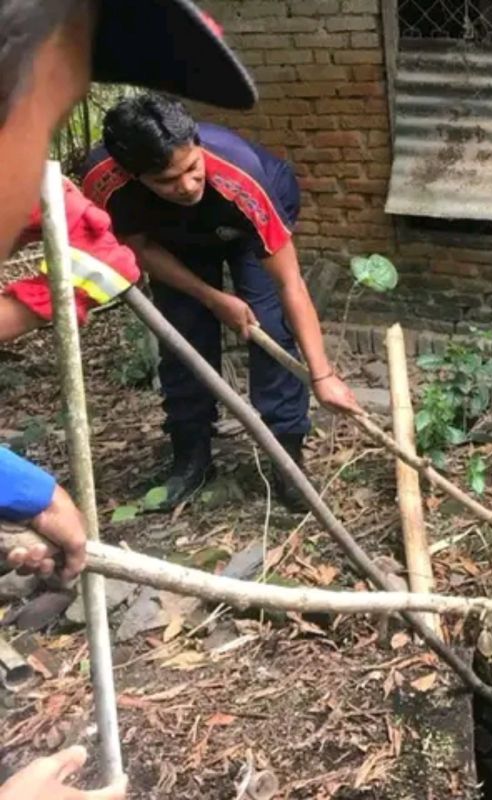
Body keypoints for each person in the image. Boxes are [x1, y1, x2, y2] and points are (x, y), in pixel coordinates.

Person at [0, 0, 258, 795]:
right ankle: (190, 455)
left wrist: (31, 493)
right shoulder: (110, 189)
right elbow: (125, 256)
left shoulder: (247, 180)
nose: (40, 169)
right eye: (40, 124)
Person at [80, 94, 361, 512]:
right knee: (183, 337)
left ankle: (287, 457)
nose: (188, 185)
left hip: (242, 220)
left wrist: (323, 376)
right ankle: (190, 457)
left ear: (197, 143)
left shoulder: (241, 174)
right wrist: (212, 298)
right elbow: (137, 246)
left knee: (267, 322)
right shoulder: (103, 180)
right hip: (172, 238)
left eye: (193, 168)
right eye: (167, 180)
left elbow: (290, 284)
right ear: (134, 175)